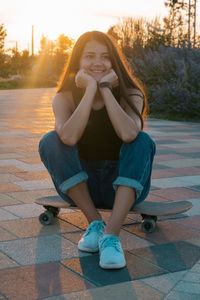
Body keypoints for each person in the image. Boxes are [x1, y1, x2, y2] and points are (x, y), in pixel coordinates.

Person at [39, 30, 156, 270]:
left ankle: (111, 237)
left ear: (114, 62)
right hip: (82, 189)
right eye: (89, 56)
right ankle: (95, 223)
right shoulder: (64, 98)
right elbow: (68, 138)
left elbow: (129, 134)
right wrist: (89, 91)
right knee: (50, 140)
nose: (97, 62)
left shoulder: (131, 94)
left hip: (124, 188)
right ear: (78, 62)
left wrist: (104, 88)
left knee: (143, 141)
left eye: (105, 56)